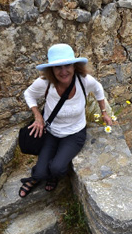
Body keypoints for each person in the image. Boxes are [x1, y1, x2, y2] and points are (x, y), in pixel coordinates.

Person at [19, 43, 113, 197]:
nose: (63, 72)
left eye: (67, 65)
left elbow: (98, 89)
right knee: (41, 171)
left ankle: (53, 177)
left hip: (74, 133)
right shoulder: (45, 83)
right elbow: (28, 94)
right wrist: (37, 115)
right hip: (51, 132)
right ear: (51, 70)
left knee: (57, 168)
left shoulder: (84, 81)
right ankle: (39, 176)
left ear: (74, 66)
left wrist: (104, 113)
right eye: (58, 67)